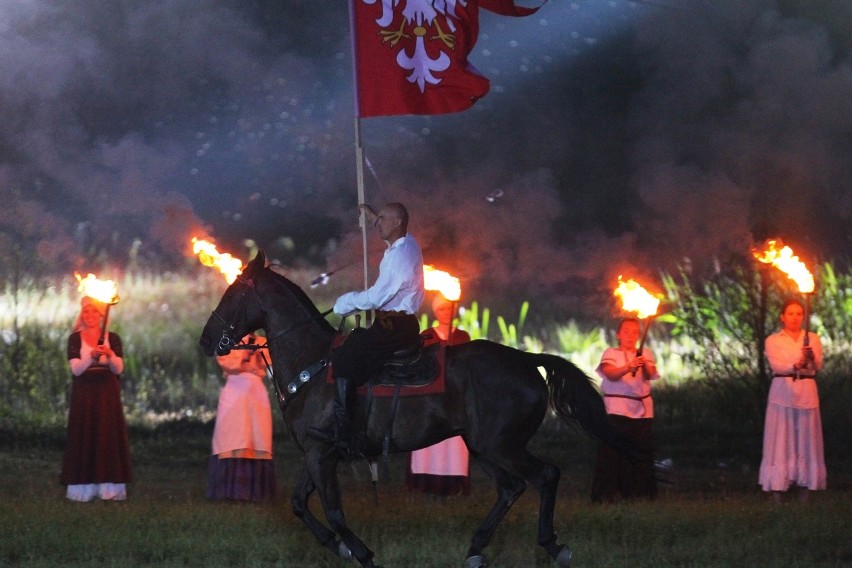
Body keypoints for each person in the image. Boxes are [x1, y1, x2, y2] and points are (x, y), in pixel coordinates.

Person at [310, 202, 425, 458]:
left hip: (395, 325)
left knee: (343, 357)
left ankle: (344, 432)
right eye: (378, 218)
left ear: (397, 223)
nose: (378, 223)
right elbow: (394, 237)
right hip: (393, 323)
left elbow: (376, 297)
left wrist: (344, 304)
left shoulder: (400, 257)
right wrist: (375, 217)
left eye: (383, 219)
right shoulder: (407, 243)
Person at [60, 296, 132, 501]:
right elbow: (76, 370)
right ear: (82, 314)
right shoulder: (75, 339)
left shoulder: (113, 338)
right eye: (86, 312)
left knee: (107, 435)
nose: (90, 316)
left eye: (95, 312)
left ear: (102, 314)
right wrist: (90, 358)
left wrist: (109, 354)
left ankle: (109, 489)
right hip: (85, 393)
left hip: (107, 393)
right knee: (85, 434)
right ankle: (83, 490)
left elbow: (119, 369)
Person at [759, 298, 826, 503]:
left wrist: (811, 358)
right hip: (782, 394)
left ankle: (805, 491)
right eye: (790, 313)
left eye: (798, 313)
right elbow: (778, 366)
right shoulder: (773, 339)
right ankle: (777, 490)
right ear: (782, 317)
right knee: (781, 439)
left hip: (807, 392)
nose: (795, 317)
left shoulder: (812, 338)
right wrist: (796, 364)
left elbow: (818, 365)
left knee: (806, 440)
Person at [407, 295, 471, 496]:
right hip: (431, 394)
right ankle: (425, 482)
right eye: (441, 308)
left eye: (448, 309)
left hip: (454, 394)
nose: (444, 312)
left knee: (454, 442)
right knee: (429, 440)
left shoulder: (462, 337)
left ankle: (454, 484)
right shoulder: (427, 335)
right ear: (435, 311)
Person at [591, 316, 660, 503]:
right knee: (611, 453)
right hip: (616, 409)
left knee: (639, 452)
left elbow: (650, 374)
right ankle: (606, 494)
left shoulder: (645, 353)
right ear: (618, 335)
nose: (631, 336)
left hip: (642, 410)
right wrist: (628, 366)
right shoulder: (611, 353)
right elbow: (611, 374)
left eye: (635, 332)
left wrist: (642, 362)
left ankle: (640, 493)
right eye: (627, 332)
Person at [207, 334, 276, 501]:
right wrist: (245, 353)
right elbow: (228, 362)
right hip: (234, 390)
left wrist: (255, 353)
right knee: (232, 437)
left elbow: (268, 360)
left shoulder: (262, 342)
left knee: (257, 437)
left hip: (256, 392)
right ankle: (228, 491)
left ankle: (256, 492)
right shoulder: (228, 341)